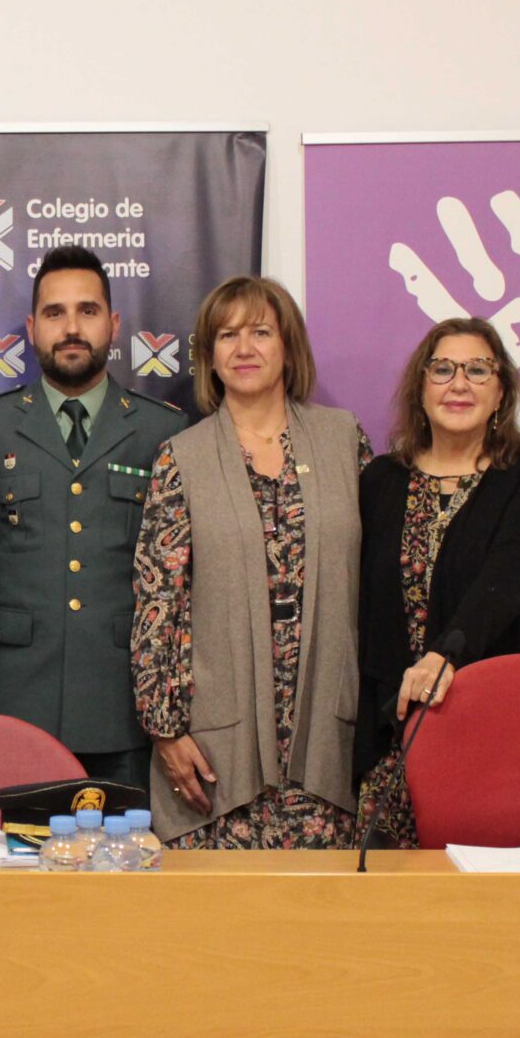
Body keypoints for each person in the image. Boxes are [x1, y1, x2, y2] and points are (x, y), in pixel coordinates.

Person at [131, 276, 371, 849]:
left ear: (288, 346)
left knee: (325, 905)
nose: (244, 348)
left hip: (329, 744)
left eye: (260, 332)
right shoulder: (181, 458)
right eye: (227, 335)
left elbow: (377, 582)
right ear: (209, 356)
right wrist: (165, 731)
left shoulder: (344, 440)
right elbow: (158, 602)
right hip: (215, 753)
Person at [0, 246, 187, 788]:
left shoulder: (164, 431)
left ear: (114, 324)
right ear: (31, 328)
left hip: (123, 705)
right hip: (18, 699)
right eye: (54, 313)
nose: (71, 328)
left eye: (87, 311)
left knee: (128, 842)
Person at [355, 317, 520, 846]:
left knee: (502, 891)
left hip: (505, 727)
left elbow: (508, 578)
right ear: (420, 388)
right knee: (394, 892)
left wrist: (445, 655)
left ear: (501, 393)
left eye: (477, 370)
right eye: (443, 369)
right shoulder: (379, 481)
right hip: (398, 738)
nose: (459, 384)